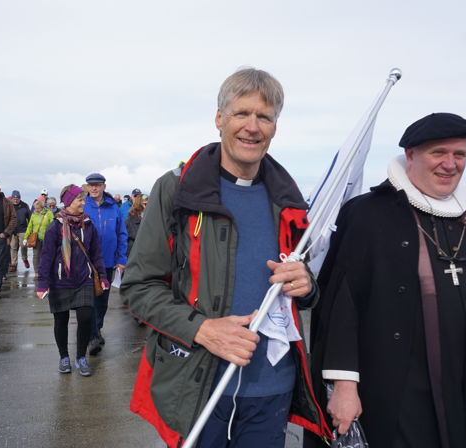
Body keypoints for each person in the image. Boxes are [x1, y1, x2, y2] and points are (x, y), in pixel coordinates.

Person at [121, 68, 329, 447]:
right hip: (200, 385)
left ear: (275, 127)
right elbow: (138, 288)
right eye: (241, 113)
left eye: (264, 117)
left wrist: (307, 284)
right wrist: (202, 329)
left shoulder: (289, 198)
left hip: (272, 390)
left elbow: (308, 286)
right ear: (219, 119)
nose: (252, 126)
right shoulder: (177, 188)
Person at [307, 113, 466, 448]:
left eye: (459, 155)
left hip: (464, 382)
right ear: (411, 155)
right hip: (393, 385)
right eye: (438, 153)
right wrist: (344, 387)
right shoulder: (367, 213)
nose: (450, 164)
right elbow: (341, 306)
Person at [36, 184, 109, 377]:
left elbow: (96, 254)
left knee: (85, 318)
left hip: (83, 280)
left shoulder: (89, 224)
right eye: (80, 199)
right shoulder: (55, 227)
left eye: (84, 199)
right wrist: (43, 283)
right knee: (61, 320)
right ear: (69, 202)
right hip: (60, 281)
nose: (84, 202)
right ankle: (64, 357)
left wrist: (102, 276)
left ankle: (80, 357)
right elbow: (46, 257)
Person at [83, 172, 127, 356]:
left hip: (108, 262)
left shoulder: (113, 208)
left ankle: (96, 331)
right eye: (90, 185)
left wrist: (121, 259)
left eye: (97, 185)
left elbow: (121, 234)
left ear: (104, 187)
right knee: (90, 300)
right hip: (87, 263)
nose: (93, 188)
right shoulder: (83, 205)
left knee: (102, 301)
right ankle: (93, 336)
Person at [24, 199, 53, 275]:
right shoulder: (33, 215)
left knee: (46, 255)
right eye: (35, 208)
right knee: (36, 255)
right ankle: (37, 272)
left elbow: (53, 225)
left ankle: (46, 271)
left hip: (46, 238)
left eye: (38, 208)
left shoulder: (49, 213)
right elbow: (29, 227)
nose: (36, 210)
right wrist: (25, 238)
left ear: (42, 207)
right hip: (36, 239)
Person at [9, 190, 31, 272]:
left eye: (17, 198)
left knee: (23, 246)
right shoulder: (9, 206)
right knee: (13, 247)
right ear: (11, 198)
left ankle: (25, 259)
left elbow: (30, 218)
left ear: (19, 198)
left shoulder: (25, 205)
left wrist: (30, 229)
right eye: (14, 199)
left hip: (23, 230)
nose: (15, 200)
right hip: (12, 230)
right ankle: (14, 264)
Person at [124, 193, 146, 259]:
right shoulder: (128, 222)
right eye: (145, 204)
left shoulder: (152, 221)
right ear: (138, 205)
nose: (148, 207)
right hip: (133, 259)